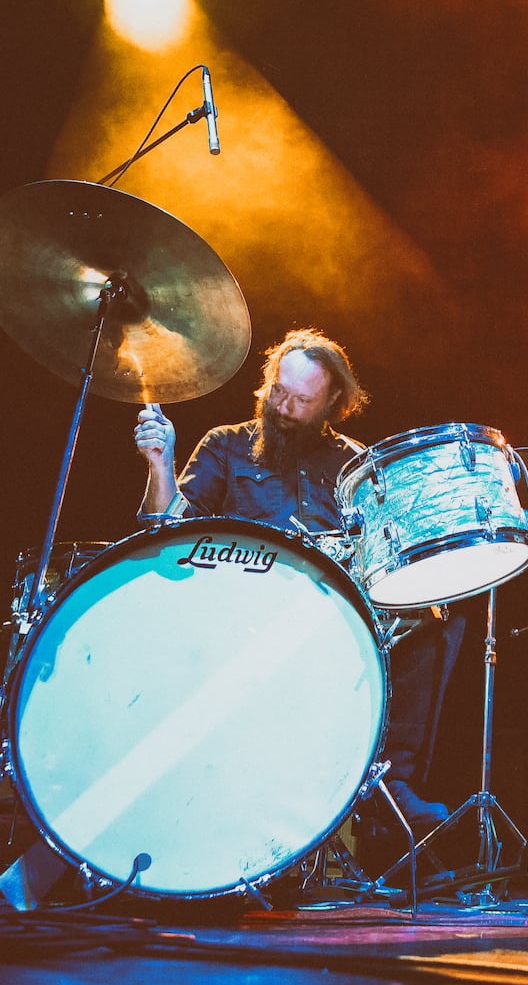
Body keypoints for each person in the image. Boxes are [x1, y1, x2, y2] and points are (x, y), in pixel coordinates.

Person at [135, 327, 464, 835]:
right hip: (243, 613)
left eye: (302, 401)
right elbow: (169, 534)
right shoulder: (226, 445)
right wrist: (160, 465)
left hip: (336, 614)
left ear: (333, 401)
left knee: (440, 618)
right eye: (278, 393)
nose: (284, 409)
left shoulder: (357, 462)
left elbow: (384, 549)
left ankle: (387, 787)